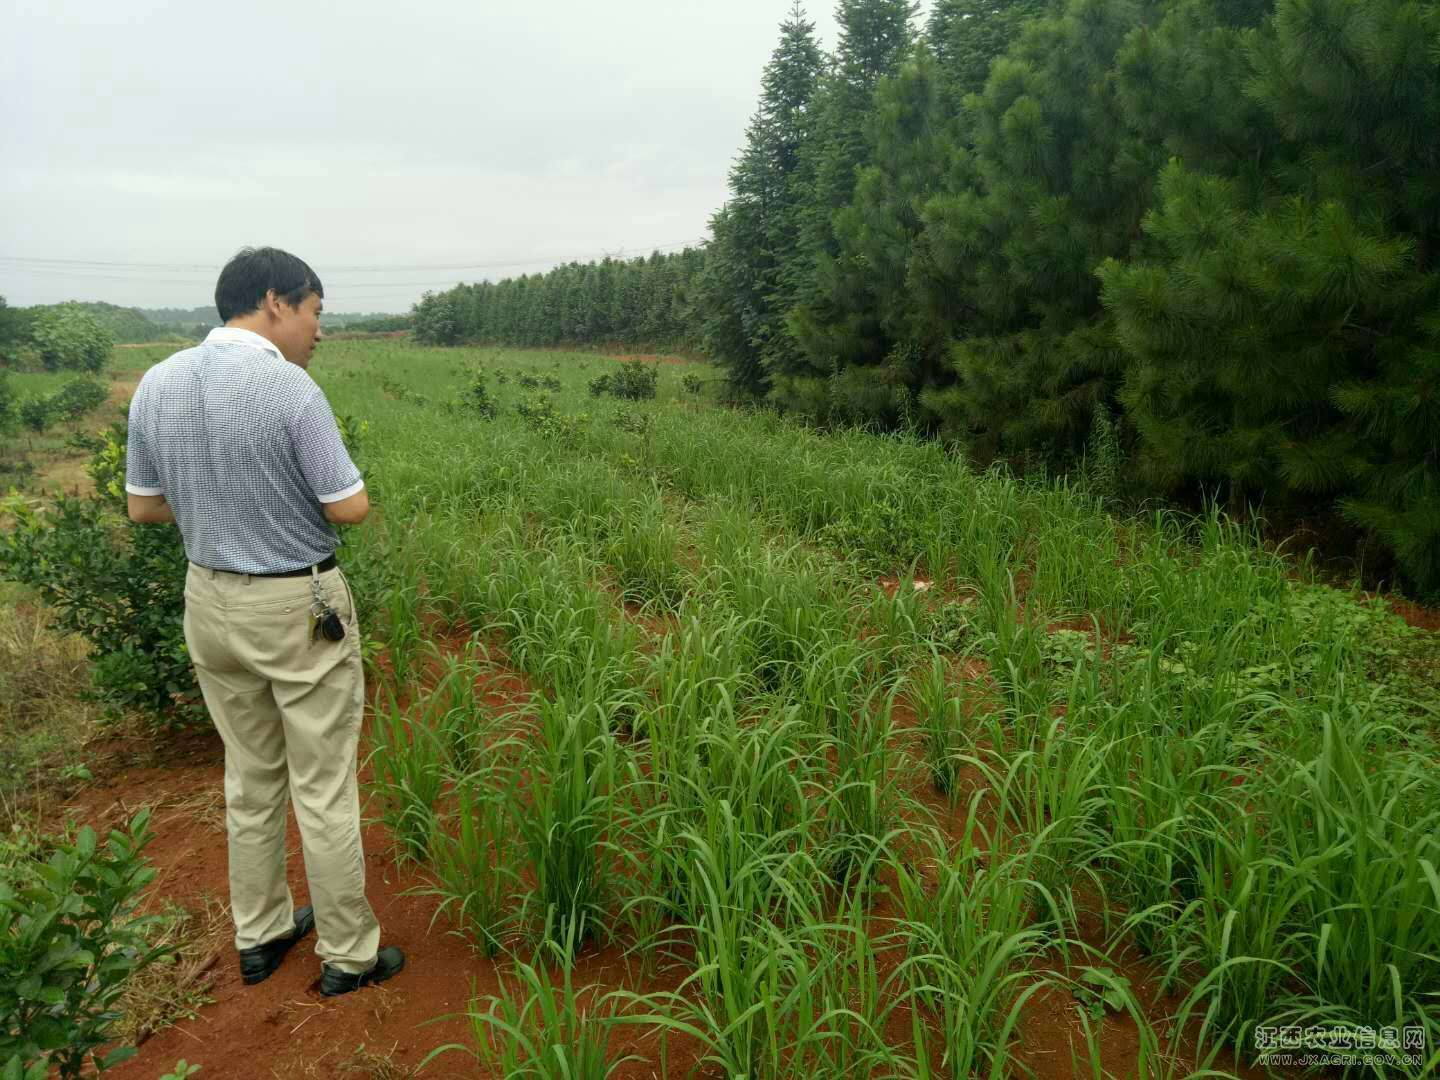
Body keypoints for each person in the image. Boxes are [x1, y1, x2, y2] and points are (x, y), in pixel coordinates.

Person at [124, 246, 404, 996]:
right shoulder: (290, 391)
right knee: (322, 783)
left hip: (208, 600)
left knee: (249, 776)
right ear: (277, 301)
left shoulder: (157, 382)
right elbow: (350, 507)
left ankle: (262, 933)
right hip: (292, 603)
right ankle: (349, 952)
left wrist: (218, 502)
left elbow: (143, 506)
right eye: (316, 312)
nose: (318, 331)